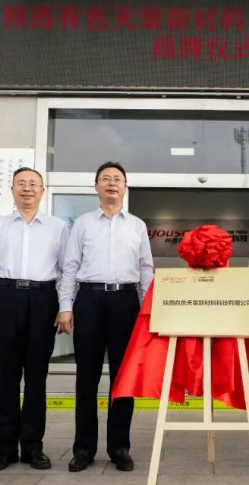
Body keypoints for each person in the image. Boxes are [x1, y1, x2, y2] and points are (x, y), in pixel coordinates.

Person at [0, 167, 70, 472]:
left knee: (37, 379)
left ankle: (33, 448)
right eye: (21, 184)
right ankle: (5, 450)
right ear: (12, 190)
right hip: (6, 299)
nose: (27, 189)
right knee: (6, 379)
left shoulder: (58, 227)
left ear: (42, 191)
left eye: (33, 184)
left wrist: (64, 307)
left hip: (43, 300)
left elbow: (67, 272)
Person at [58, 162, 154, 473]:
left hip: (126, 302)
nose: (112, 183)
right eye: (105, 179)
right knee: (86, 377)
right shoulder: (82, 224)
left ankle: (119, 447)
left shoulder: (137, 225)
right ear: (96, 186)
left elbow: (146, 270)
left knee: (123, 378)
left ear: (125, 187)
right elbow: (70, 267)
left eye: (117, 179)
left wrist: (148, 309)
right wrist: (65, 306)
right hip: (89, 299)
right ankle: (83, 448)